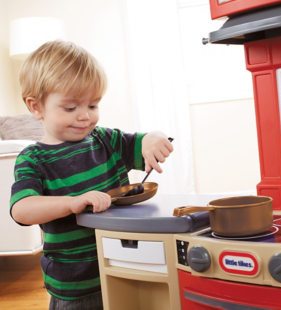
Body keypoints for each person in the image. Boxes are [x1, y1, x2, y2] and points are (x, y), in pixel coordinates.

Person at [9, 40, 174, 309]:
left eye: (93, 105)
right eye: (71, 108)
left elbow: (142, 141)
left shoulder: (106, 140)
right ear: (36, 107)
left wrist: (154, 139)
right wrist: (70, 203)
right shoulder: (33, 159)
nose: (85, 117)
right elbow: (22, 210)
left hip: (125, 266)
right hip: (76, 286)